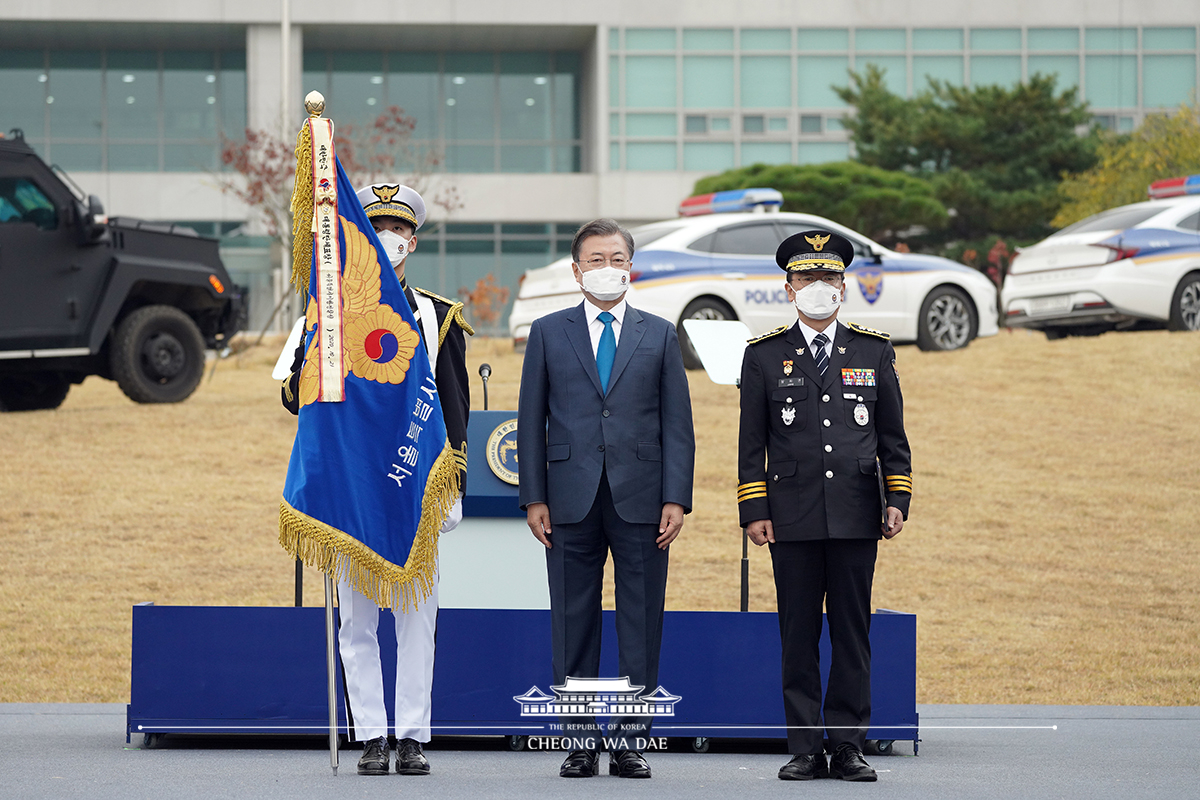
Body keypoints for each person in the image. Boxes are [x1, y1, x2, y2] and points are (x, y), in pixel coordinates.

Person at [281, 183, 472, 775]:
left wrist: (452, 484)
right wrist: (317, 349)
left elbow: (456, 407)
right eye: (374, 230)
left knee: (418, 618)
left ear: (411, 242)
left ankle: (412, 734)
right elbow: (293, 398)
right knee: (355, 622)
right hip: (351, 490)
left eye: (397, 232)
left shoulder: (438, 315)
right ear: (356, 239)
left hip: (415, 486)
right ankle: (370, 734)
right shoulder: (324, 313)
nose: (386, 240)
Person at [517, 218, 695, 780]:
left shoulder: (660, 333)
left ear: (630, 266)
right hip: (568, 498)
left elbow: (678, 425)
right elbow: (530, 422)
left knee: (641, 621)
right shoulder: (547, 332)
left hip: (643, 499)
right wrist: (533, 496)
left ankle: (629, 741)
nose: (606, 268)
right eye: (595, 259)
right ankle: (578, 740)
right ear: (576, 271)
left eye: (616, 258)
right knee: (574, 620)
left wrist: (677, 497)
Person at [736, 230, 912, 782]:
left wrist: (898, 498)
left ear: (845, 287)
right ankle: (806, 746)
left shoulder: (874, 350)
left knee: (852, 631)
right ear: (788, 288)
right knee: (798, 633)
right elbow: (750, 445)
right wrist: (754, 509)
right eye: (807, 278)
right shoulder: (763, 356)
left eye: (829, 278)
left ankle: (848, 744)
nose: (819, 287)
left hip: (858, 510)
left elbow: (892, 438)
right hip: (790, 515)